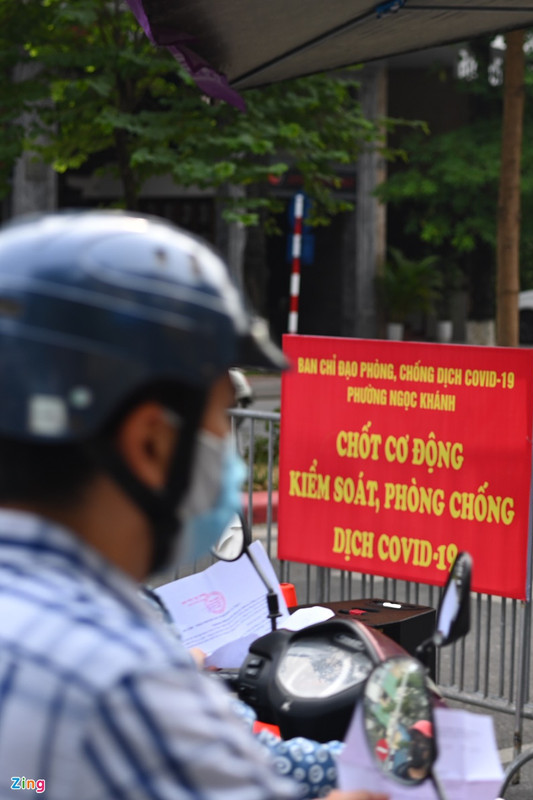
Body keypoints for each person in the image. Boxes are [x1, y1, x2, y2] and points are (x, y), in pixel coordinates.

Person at [0, 211, 382, 800]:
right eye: (219, 422)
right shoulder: (121, 679)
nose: (227, 451)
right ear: (151, 443)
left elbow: (25, 782)